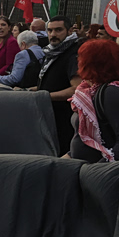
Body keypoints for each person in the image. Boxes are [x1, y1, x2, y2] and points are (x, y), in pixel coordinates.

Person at [68, 39, 119, 162]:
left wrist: (97, 170)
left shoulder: (112, 93)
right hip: (82, 166)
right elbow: (85, 138)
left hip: (97, 173)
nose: (78, 61)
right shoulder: (90, 90)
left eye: (81, 57)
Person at [36, 15, 83, 155]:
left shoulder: (73, 53)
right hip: (49, 115)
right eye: (50, 30)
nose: (53, 35)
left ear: (69, 31)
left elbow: (77, 89)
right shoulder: (52, 51)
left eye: (58, 30)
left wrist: (44, 96)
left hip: (64, 119)